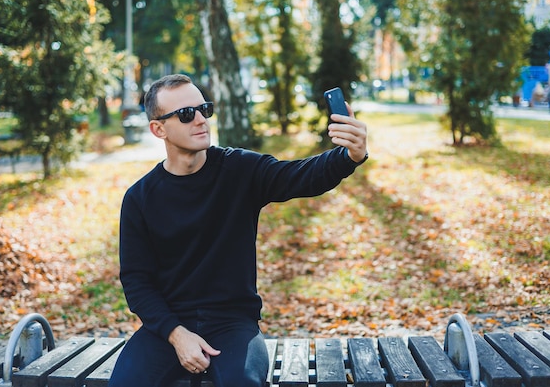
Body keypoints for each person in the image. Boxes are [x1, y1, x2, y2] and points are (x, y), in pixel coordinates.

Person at [109, 74, 368, 387]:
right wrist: (178, 336)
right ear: (158, 129)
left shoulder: (239, 169)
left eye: (204, 109)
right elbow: (137, 281)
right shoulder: (139, 198)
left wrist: (350, 156)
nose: (201, 120)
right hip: (168, 326)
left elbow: (302, 176)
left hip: (233, 324)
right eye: (187, 114)